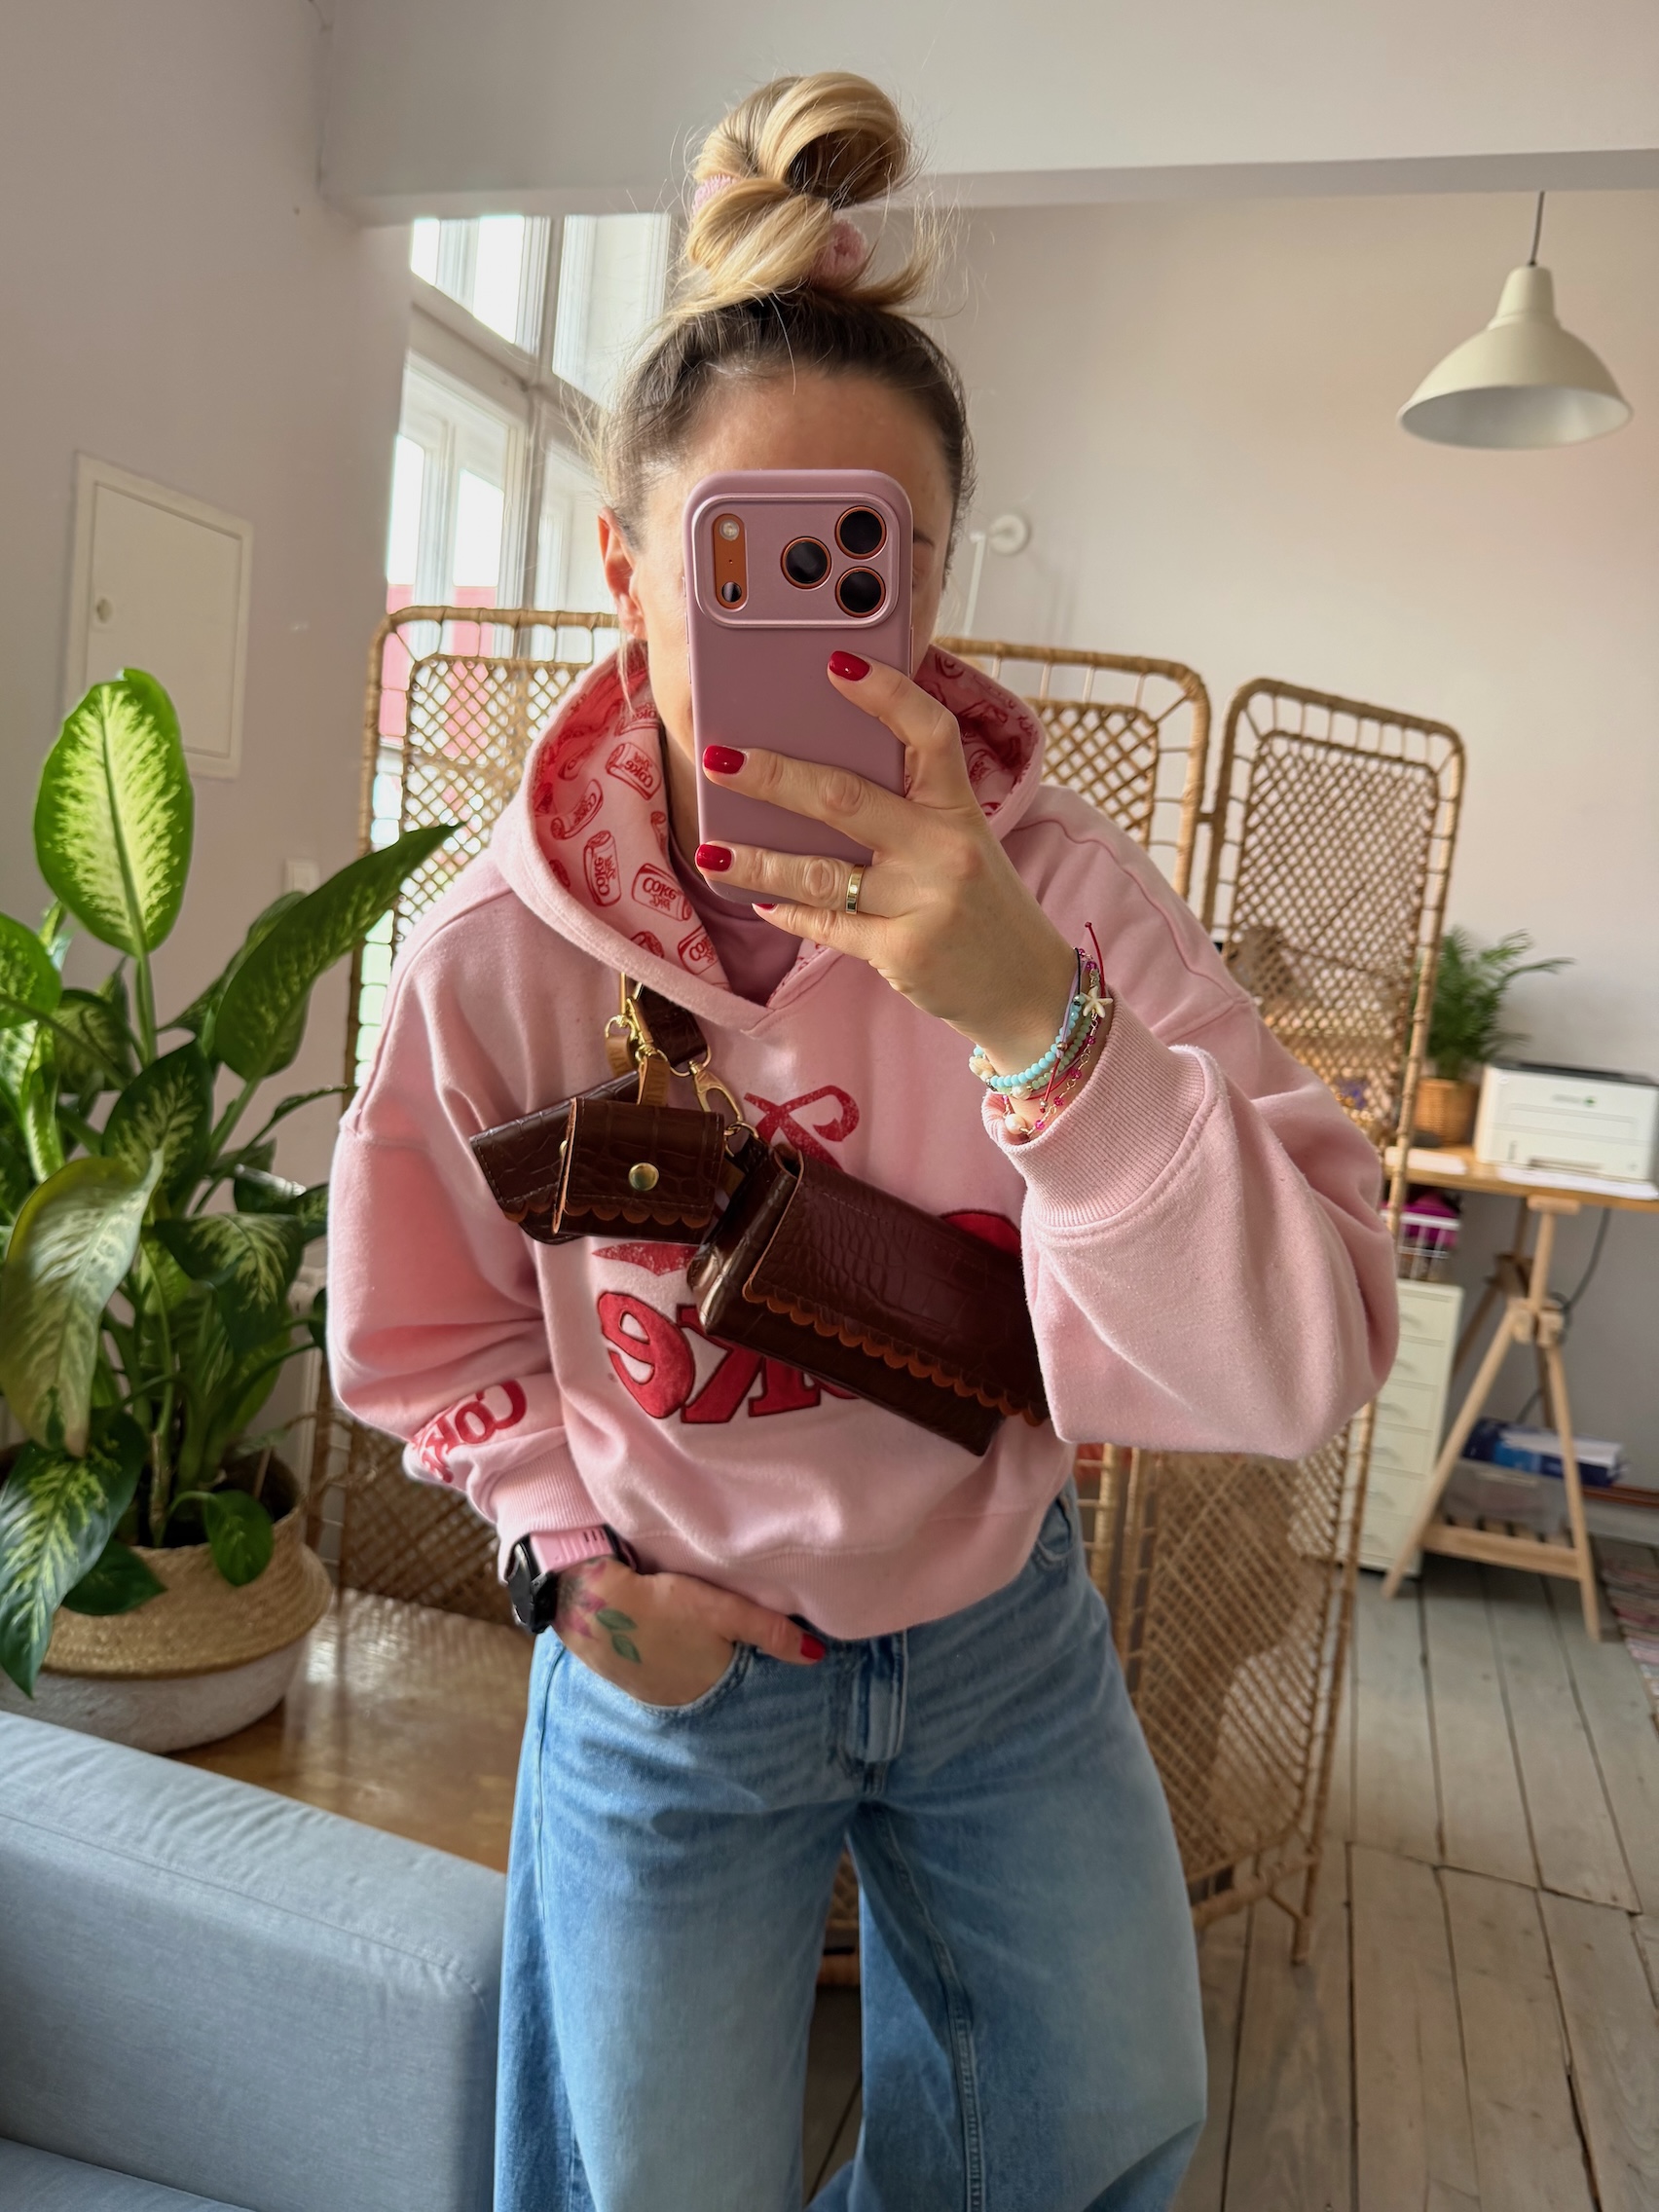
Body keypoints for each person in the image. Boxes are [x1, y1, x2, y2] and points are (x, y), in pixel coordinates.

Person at [328, 70, 1396, 2212]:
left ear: (928, 589)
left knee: (1096, 2131)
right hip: (671, 1664)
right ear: (628, 573)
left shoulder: (1062, 902)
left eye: (857, 565)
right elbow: (424, 1333)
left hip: (1004, 1628)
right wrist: (565, 1564)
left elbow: (1311, 1357)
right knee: (647, 2184)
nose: (804, 628)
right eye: (742, 563)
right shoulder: (495, 959)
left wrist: (1033, 1016)